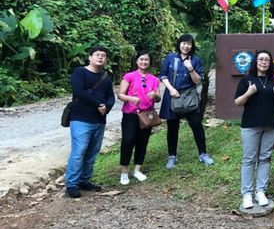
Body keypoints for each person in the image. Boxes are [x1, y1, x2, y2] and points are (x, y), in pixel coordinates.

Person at [234, 50, 274, 209]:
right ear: (256, 61)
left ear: (270, 63)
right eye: (261, 59)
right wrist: (249, 92)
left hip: (270, 125)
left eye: (267, 60)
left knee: (265, 158)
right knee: (249, 159)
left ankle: (260, 191)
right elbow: (238, 102)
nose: (264, 62)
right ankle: (247, 194)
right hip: (250, 126)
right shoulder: (247, 80)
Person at [65, 45, 116, 198]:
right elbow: (78, 91)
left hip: (99, 120)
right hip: (80, 118)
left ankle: (84, 180)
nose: (100, 57)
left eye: (103, 55)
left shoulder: (105, 77)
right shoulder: (80, 72)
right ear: (90, 57)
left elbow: (111, 97)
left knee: (92, 152)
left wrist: (107, 106)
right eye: (97, 55)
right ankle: (71, 184)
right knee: (79, 151)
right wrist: (98, 105)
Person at [159, 34, 214, 169]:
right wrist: (171, 89)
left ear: (192, 46)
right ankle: (172, 156)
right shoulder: (170, 58)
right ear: (179, 44)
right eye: (183, 43)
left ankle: (203, 154)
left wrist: (190, 68)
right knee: (172, 128)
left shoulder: (195, 60)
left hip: (189, 96)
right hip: (172, 95)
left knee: (196, 125)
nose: (186, 46)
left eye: (188, 44)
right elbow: (163, 75)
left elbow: (197, 81)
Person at [117, 50, 161, 185]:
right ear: (137, 61)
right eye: (141, 59)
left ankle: (137, 170)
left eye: (146, 60)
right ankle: (124, 173)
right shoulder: (129, 76)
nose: (144, 62)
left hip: (147, 115)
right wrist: (131, 98)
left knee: (143, 142)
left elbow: (159, 99)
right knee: (128, 141)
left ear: (149, 62)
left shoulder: (154, 79)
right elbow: (120, 95)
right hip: (130, 114)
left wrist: (155, 95)